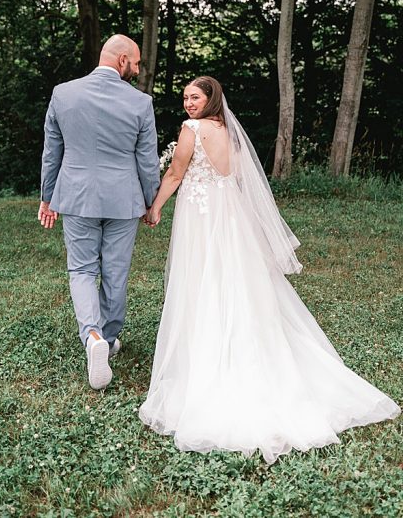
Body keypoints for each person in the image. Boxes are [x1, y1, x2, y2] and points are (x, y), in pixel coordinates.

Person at [139, 76, 400, 463]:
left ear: (211, 99)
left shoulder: (192, 130)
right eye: (185, 98)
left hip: (202, 218)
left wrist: (156, 205)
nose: (188, 103)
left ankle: (210, 362)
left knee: (202, 281)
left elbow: (176, 174)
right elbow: (242, 180)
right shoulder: (230, 131)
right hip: (230, 219)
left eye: (194, 97)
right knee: (237, 282)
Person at [39, 35, 160, 390]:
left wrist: (48, 196)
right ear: (122, 60)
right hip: (124, 198)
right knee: (116, 271)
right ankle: (108, 334)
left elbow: (52, 152)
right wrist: (150, 201)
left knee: (81, 268)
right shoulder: (140, 102)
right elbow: (147, 160)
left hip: (76, 196)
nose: (137, 70)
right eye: (135, 63)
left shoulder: (63, 94)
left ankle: (93, 337)